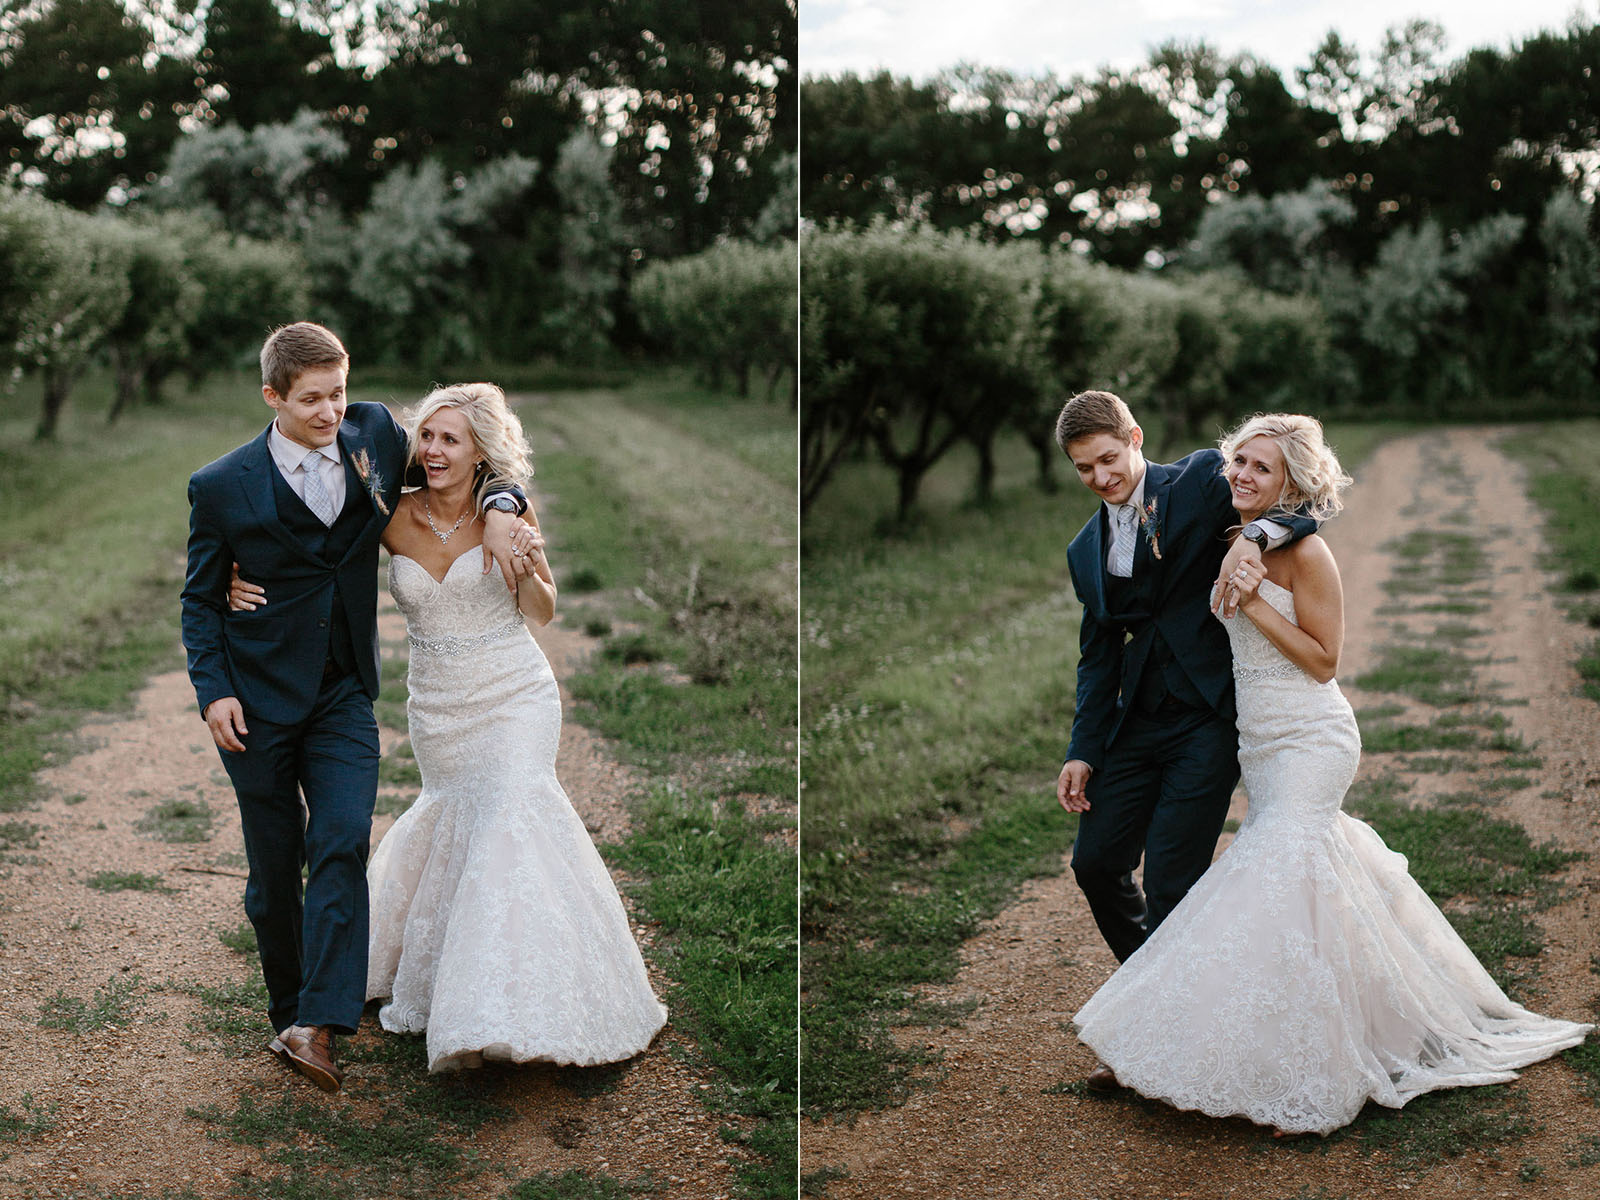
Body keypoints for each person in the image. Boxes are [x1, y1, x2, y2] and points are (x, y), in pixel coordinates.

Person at [1073, 413, 1592, 1135]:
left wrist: (1253, 583)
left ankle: (1307, 1072)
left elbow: (1323, 661)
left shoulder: (1297, 551)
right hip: (1257, 740)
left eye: (1261, 469)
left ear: (1288, 482)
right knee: (1307, 886)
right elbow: (1120, 629)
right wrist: (1250, 535)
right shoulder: (1222, 531)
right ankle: (1220, 1034)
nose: (1242, 478)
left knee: (1274, 880)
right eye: (1239, 465)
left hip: (1310, 737)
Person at [233, 383, 667, 1072]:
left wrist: (518, 557)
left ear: (479, 454)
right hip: (439, 705)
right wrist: (238, 571)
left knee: (511, 816)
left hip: (514, 696)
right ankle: (445, 975)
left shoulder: (508, 510)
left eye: (450, 440)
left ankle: (506, 1008)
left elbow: (546, 612)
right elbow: (307, 548)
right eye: (426, 437)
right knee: (459, 817)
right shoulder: (387, 515)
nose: (432, 450)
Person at [182, 323, 537, 1093]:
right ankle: (289, 1011)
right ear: (273, 396)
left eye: (339, 392)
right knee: (275, 874)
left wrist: (507, 501)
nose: (330, 411)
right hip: (257, 703)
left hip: (342, 689)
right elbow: (198, 601)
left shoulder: (373, 430)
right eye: (312, 399)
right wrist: (213, 693)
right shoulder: (220, 486)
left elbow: (460, 465)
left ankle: (322, 1022)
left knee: (341, 841)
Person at [1054, 390, 1317, 979]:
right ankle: (1152, 990)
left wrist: (1253, 538)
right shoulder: (1082, 551)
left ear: (1135, 439)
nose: (1100, 476)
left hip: (1208, 717)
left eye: (1107, 459)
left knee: (1173, 878)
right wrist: (1082, 750)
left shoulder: (1200, 479)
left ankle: (1154, 1036)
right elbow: (1096, 660)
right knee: (1094, 862)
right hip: (1135, 722)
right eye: (1084, 467)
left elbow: (1303, 505)